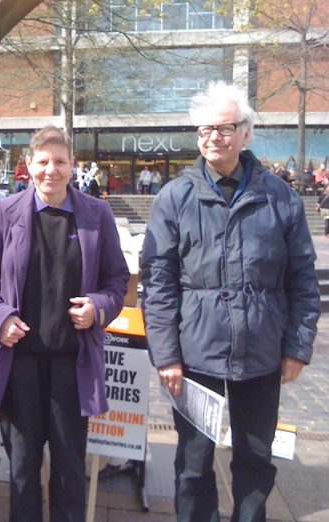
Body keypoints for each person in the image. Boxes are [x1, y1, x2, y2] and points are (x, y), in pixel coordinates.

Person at [140, 81, 320, 522]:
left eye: (224, 128)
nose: (212, 138)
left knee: (256, 460)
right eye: (204, 130)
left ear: (246, 133)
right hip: (195, 358)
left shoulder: (280, 198)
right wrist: (166, 356)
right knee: (194, 463)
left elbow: (302, 278)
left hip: (260, 353)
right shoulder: (174, 198)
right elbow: (158, 283)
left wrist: (297, 346)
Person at [0, 126, 130, 521]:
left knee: (69, 469)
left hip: (72, 366)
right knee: (21, 468)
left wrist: (97, 307)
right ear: (28, 166)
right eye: (43, 162)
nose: (51, 171)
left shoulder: (96, 214)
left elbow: (117, 281)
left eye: (60, 162)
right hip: (19, 363)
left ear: (72, 166)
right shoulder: (6, 214)